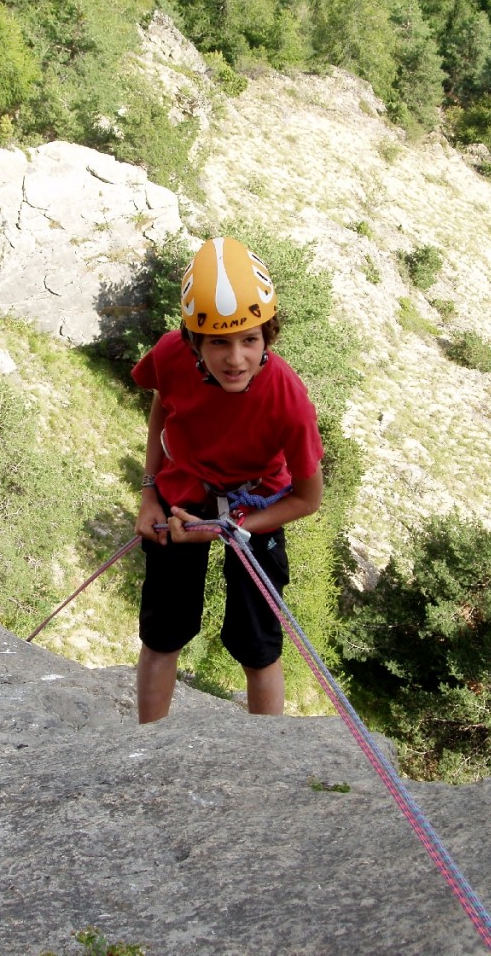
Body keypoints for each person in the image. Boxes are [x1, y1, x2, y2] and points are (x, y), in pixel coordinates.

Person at [132, 235, 324, 723]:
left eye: (249, 340)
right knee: (162, 634)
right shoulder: (171, 355)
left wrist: (236, 527)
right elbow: (162, 404)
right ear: (193, 342)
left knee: (258, 645)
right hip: (182, 495)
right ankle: (146, 747)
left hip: (258, 506)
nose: (235, 358)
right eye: (219, 342)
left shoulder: (289, 400)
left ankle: (266, 754)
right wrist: (149, 492)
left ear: (268, 337)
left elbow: (308, 498)